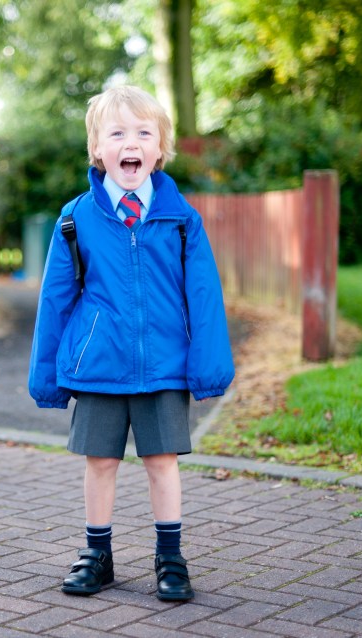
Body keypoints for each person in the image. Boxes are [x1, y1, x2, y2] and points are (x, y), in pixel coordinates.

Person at [28, 85, 235, 602]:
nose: (131, 143)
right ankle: (97, 555)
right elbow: (56, 298)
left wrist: (207, 366)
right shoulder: (76, 218)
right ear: (97, 149)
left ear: (159, 149)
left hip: (164, 363)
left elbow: (203, 296)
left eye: (144, 133)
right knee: (100, 462)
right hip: (98, 364)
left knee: (162, 461)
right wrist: (45, 374)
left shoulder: (182, 219)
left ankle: (171, 557)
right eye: (117, 133)